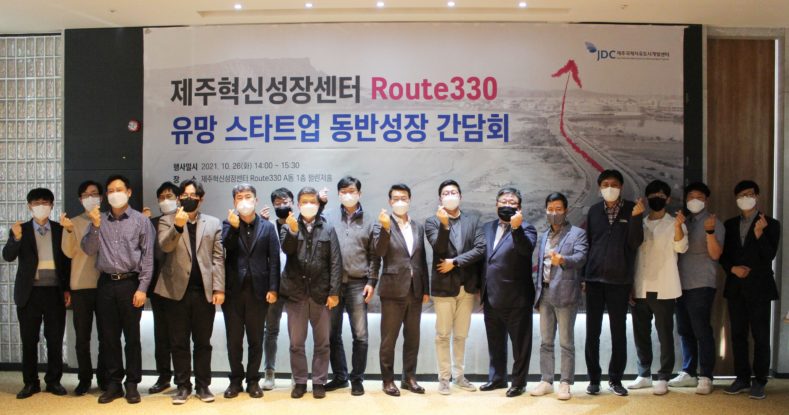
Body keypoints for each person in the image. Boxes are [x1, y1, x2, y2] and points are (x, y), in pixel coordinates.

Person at [81, 175, 154, 404]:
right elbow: (88, 249)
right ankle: (114, 383)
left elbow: (148, 257)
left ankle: (132, 383)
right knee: (109, 337)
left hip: (130, 283)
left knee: (132, 337)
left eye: (119, 189)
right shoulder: (99, 219)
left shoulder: (141, 221)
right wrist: (95, 226)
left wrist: (142, 288)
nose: (115, 194)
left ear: (129, 192)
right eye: (111, 191)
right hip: (105, 284)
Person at [155, 180, 225, 404]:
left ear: (200, 199)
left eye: (193, 195)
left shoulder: (213, 223)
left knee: (203, 342)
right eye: (184, 195)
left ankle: (203, 386)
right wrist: (177, 226)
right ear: (179, 198)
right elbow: (165, 246)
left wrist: (219, 288)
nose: (188, 198)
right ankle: (183, 386)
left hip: (204, 292)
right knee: (178, 342)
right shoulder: (166, 220)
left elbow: (217, 258)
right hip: (175, 292)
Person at [3, 188, 71, 399]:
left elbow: (67, 261)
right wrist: (15, 239)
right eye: (36, 202)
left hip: (54, 292)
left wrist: (67, 289)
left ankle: (53, 381)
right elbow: (7, 256)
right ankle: (30, 383)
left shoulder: (60, 229)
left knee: (55, 339)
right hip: (29, 293)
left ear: (51, 205)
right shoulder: (20, 229)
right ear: (29, 206)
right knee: (29, 339)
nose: (40, 206)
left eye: (45, 202)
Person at [583, 169, 644, 397]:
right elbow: (588, 244)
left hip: (620, 281)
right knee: (592, 332)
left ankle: (615, 379)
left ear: (621, 187)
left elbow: (635, 243)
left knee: (619, 332)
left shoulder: (632, 209)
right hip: (594, 280)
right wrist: (584, 276)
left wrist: (636, 218)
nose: (610, 188)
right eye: (606, 184)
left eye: (615, 184)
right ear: (600, 187)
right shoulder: (594, 211)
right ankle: (594, 379)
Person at [720, 180, 780, 400]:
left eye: (750, 193)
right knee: (738, 335)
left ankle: (760, 380)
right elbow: (724, 255)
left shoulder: (770, 224)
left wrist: (759, 233)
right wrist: (732, 269)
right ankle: (742, 378)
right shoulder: (729, 225)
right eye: (742, 194)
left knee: (761, 335)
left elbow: (769, 255)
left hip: (760, 287)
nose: (746, 197)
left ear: (757, 196)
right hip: (736, 287)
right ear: (736, 199)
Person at [424, 179, 485, 395]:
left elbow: (480, 249)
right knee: (442, 335)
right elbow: (439, 248)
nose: (450, 196)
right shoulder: (432, 222)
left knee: (461, 335)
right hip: (444, 288)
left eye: (453, 192)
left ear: (460, 196)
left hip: (466, 287)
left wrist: (456, 262)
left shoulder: (473, 220)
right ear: (440, 198)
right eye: (446, 193)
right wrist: (444, 225)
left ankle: (459, 376)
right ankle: (444, 378)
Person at [280, 186, 341, 399]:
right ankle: (299, 381)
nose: (308, 205)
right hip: (295, 294)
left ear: (318, 204)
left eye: (312, 202)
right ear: (298, 205)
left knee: (322, 343)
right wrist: (292, 231)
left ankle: (318, 381)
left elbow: (335, 261)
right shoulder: (288, 225)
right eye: (304, 202)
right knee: (296, 343)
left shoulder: (328, 228)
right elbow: (287, 250)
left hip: (321, 294)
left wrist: (334, 292)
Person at [628, 180, 688, 395]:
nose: (657, 198)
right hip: (640, 285)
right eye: (653, 195)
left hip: (664, 286)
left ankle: (664, 376)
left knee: (664, 334)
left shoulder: (675, 223)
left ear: (668, 199)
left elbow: (681, 247)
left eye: (661, 195)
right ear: (647, 198)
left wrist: (679, 227)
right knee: (641, 334)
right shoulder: (640, 222)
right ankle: (644, 374)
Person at [222, 183, 280, 399]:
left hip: (259, 291)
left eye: (248, 196)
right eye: (239, 197)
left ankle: (253, 380)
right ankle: (235, 380)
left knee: (255, 339)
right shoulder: (228, 224)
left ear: (256, 200)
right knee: (234, 340)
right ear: (234, 202)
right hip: (233, 292)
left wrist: (273, 288)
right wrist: (233, 227)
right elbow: (225, 247)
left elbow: (274, 260)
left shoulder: (267, 227)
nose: (244, 201)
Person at [478, 187, 537, 398]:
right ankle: (497, 378)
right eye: (503, 201)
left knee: (520, 344)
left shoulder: (527, 228)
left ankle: (519, 383)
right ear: (496, 204)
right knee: (495, 342)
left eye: (512, 203)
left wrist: (516, 227)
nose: (507, 205)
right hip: (491, 296)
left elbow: (525, 250)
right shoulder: (486, 228)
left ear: (519, 207)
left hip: (517, 297)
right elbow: (483, 258)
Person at [373, 183, 430, 397]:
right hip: (392, 291)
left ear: (409, 200)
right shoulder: (382, 224)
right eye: (395, 198)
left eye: (403, 198)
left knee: (413, 338)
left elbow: (421, 259)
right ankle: (387, 380)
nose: (400, 202)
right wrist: (385, 229)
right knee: (389, 340)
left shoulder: (417, 227)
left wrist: (425, 288)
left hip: (415, 290)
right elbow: (379, 252)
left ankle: (409, 378)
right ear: (390, 201)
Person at [530, 192, 587, 401]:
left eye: (558, 209)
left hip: (565, 294)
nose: (554, 213)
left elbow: (581, 257)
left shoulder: (577, 233)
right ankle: (546, 380)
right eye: (550, 209)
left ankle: (565, 382)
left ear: (566, 210)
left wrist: (562, 259)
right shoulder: (544, 235)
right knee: (545, 341)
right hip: (544, 293)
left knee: (566, 342)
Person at [325, 176, 378, 396]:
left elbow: (375, 255)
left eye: (352, 191)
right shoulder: (328, 217)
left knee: (361, 335)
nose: (348, 195)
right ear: (338, 194)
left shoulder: (371, 220)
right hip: (333, 285)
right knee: (331, 334)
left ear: (359, 193)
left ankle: (357, 379)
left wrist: (372, 282)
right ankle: (340, 377)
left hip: (358, 283)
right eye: (344, 191)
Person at [670, 182, 724, 395]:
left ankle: (706, 375)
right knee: (684, 330)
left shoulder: (714, 222)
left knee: (701, 330)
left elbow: (716, 254)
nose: (695, 200)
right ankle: (689, 372)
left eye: (699, 197)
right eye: (691, 197)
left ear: (706, 200)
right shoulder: (684, 221)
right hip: (680, 284)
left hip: (702, 283)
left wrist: (709, 232)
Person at [60, 181, 107, 395]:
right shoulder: (73, 223)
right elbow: (68, 253)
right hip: (80, 286)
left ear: (102, 198)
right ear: (80, 199)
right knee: (82, 338)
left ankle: (104, 378)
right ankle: (84, 378)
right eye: (86, 195)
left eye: (94, 194)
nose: (91, 198)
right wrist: (69, 231)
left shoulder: (109, 220)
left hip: (106, 286)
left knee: (106, 336)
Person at [147, 181, 180, 395]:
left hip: (183, 285)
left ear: (178, 199)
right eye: (162, 197)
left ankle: (183, 376)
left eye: (170, 196)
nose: (166, 200)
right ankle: (164, 376)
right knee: (161, 334)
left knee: (180, 334)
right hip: (159, 285)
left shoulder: (187, 220)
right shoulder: (151, 223)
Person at [259, 187, 293, 390]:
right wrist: (261, 224)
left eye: (285, 201)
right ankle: (269, 372)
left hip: (296, 286)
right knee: (270, 331)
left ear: (292, 203)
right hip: (274, 285)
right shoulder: (268, 226)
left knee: (297, 333)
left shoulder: (299, 225)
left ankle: (297, 373)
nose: (282, 205)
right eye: (277, 203)